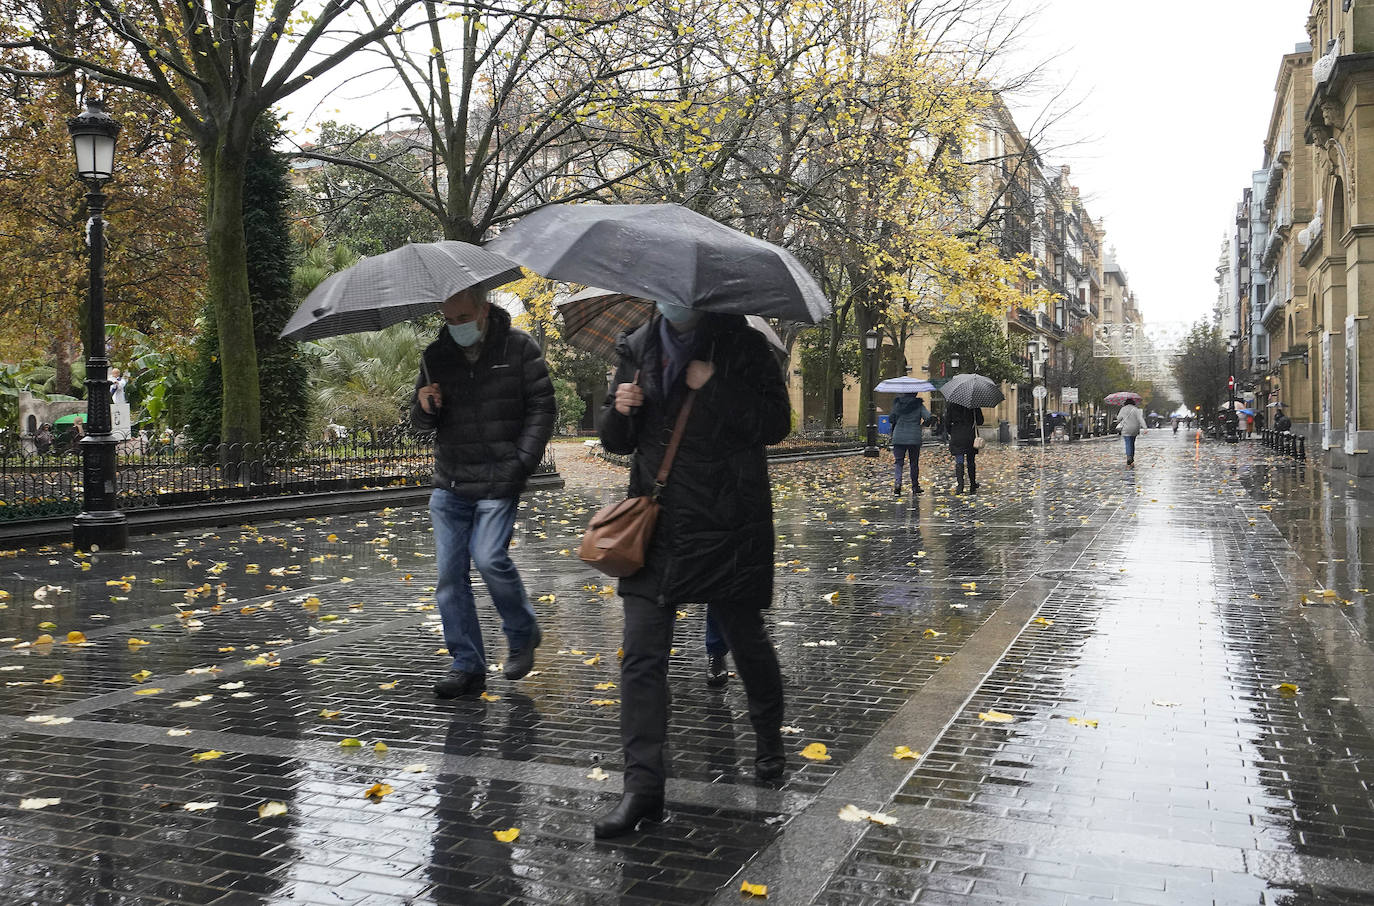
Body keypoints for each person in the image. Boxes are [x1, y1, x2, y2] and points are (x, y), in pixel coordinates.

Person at [595, 301, 790, 839]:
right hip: (657, 526)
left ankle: (769, 741)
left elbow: (776, 424)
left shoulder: (744, 344)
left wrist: (715, 385)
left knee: (746, 639)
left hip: (727, 522)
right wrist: (621, 407)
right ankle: (642, 790)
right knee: (640, 656)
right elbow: (615, 440)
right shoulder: (636, 347)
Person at [411, 286, 556, 700]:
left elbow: (543, 407)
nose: (455, 326)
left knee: (491, 558)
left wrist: (519, 463)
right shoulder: (435, 355)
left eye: (462, 317)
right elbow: (420, 425)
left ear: (484, 309)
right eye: (448, 319)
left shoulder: (519, 348)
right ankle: (466, 664)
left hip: (499, 478)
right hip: (451, 481)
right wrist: (424, 406)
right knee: (448, 578)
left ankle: (522, 633)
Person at [889, 393, 932, 495]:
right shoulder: (919, 405)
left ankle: (898, 484)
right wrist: (922, 425)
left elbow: (891, 418)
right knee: (914, 463)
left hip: (898, 436)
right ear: (915, 393)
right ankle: (915, 486)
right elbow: (928, 417)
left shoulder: (897, 404)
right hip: (914, 437)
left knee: (899, 462)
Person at [946, 403, 983, 494]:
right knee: (971, 461)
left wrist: (952, 432)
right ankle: (972, 483)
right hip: (970, 436)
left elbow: (947, 422)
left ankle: (960, 486)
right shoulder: (974, 405)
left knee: (959, 460)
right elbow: (980, 421)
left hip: (957, 435)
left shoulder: (952, 404)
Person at [1115, 399, 1147, 467]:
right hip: (1135, 429)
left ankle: (1129, 457)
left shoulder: (1123, 409)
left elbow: (1118, 418)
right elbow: (1140, 419)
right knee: (1132, 443)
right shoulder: (1136, 409)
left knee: (1128, 443)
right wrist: (1145, 428)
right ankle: (1131, 457)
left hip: (1126, 428)